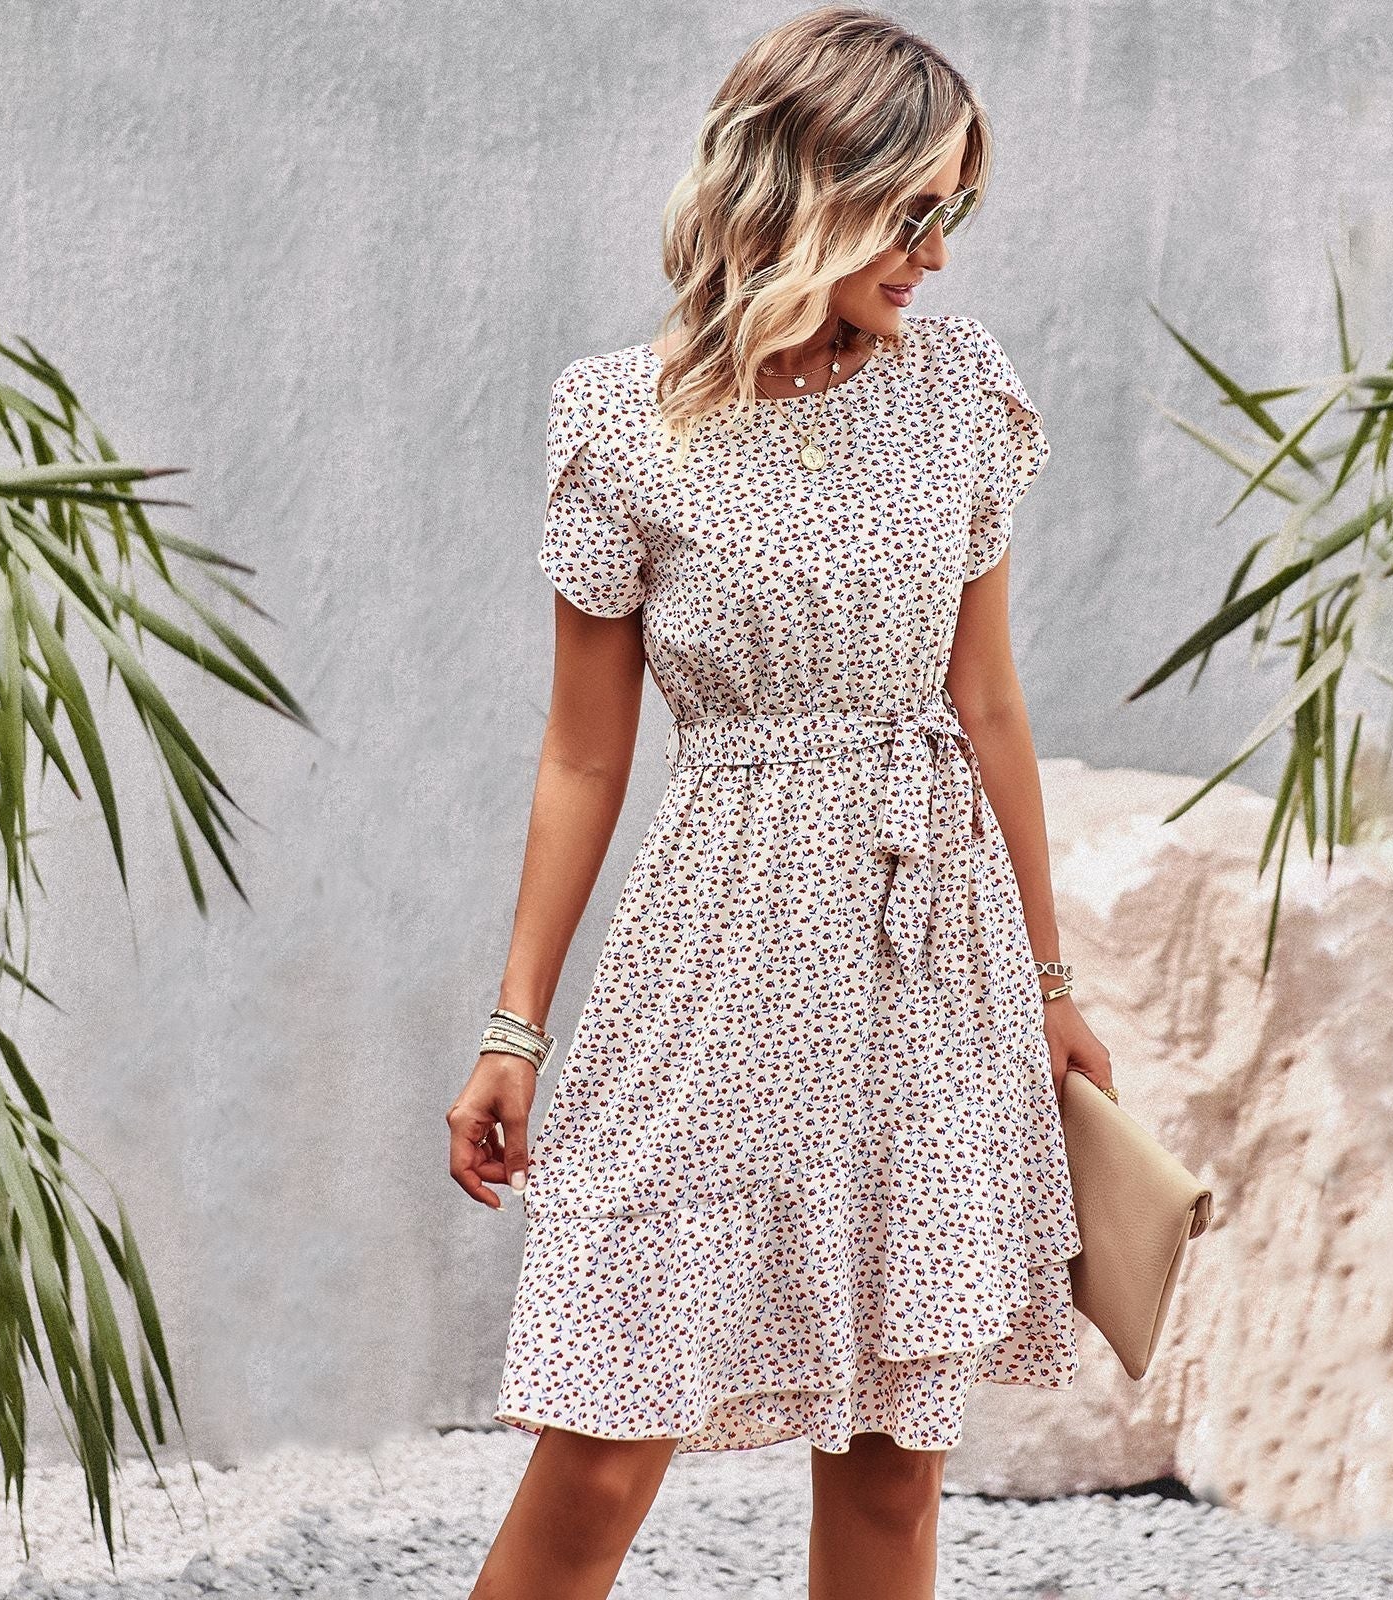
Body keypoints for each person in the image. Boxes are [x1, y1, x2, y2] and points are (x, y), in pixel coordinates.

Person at [449, 8, 1115, 1597]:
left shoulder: (960, 390)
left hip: (924, 958)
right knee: (601, 1450)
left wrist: (1050, 983)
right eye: (912, 213)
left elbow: (989, 704)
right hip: (718, 959)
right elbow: (583, 755)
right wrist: (516, 1025)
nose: (939, 256)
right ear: (808, 189)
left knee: (894, 1478)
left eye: (957, 213)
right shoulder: (620, 420)